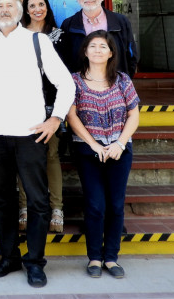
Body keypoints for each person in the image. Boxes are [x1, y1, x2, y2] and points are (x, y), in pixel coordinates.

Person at [0, 0, 74, 289]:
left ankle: (35, 261)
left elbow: (66, 83)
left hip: (31, 133)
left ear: (19, 10)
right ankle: (9, 257)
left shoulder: (37, 40)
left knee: (37, 200)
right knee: (3, 200)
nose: (5, 10)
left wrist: (55, 119)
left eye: (10, 5)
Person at [65, 31, 140, 280]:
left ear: (111, 53)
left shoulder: (122, 80)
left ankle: (112, 258)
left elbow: (134, 115)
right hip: (89, 151)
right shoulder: (74, 81)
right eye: (93, 46)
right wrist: (94, 145)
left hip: (119, 150)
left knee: (116, 205)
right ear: (85, 51)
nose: (97, 50)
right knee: (95, 205)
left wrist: (119, 143)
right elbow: (71, 116)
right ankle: (95, 257)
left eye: (103, 46)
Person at [20, 0, 66, 234]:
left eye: (41, 4)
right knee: (24, 157)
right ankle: (24, 206)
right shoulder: (19, 35)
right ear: (25, 10)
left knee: (51, 155)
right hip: (24, 103)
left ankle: (56, 208)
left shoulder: (58, 35)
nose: (37, 9)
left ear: (47, 7)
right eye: (32, 6)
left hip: (51, 103)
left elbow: (65, 73)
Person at [59, 0, 138, 76]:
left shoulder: (121, 22)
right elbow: (63, 60)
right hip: (80, 88)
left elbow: (131, 57)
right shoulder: (68, 25)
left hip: (115, 86)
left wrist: (123, 83)